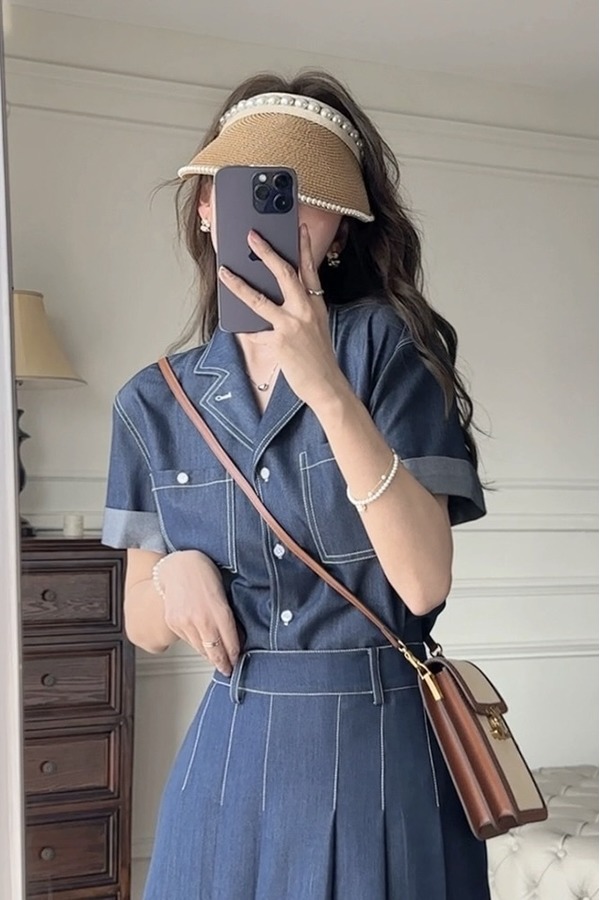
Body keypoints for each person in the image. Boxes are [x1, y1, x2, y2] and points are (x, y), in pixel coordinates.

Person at [102, 69, 491, 900]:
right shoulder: (152, 401)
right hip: (229, 762)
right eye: (256, 191)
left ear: (339, 233)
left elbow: (423, 582)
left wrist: (327, 390)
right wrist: (173, 575)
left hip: (382, 755)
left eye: (306, 197)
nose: (283, 218)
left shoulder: (388, 349)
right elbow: (142, 623)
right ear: (207, 209)